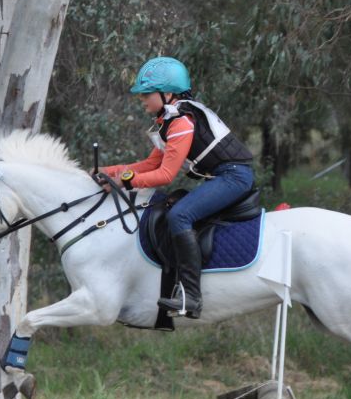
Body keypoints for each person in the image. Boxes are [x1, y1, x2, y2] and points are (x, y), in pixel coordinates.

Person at [100, 56, 254, 318]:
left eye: (147, 93)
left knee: (180, 214)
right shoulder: (170, 120)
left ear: (167, 93)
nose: (143, 99)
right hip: (223, 175)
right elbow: (150, 163)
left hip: (233, 177)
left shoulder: (181, 121)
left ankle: (192, 297)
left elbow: (165, 175)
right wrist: (108, 171)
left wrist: (123, 181)